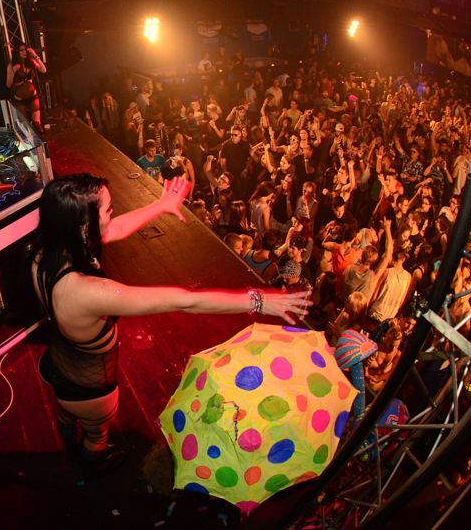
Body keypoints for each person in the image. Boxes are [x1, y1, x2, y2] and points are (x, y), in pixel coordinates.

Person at [30, 174, 309, 473]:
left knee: (66, 416)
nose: (113, 213)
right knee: (96, 435)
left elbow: (116, 228)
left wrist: (162, 205)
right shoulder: (90, 293)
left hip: (58, 364)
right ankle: (89, 467)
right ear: (83, 224)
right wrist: (259, 300)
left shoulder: (44, 252)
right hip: (90, 387)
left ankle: (69, 442)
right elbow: (185, 301)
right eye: (108, 209)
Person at [7, 41, 46, 131]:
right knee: (25, 126)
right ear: (17, 52)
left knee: (37, 125)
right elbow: (8, 84)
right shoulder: (11, 65)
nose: (24, 52)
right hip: (20, 100)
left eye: (25, 50)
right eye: (21, 50)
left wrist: (35, 56)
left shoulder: (30, 62)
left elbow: (43, 70)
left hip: (32, 96)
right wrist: (13, 72)